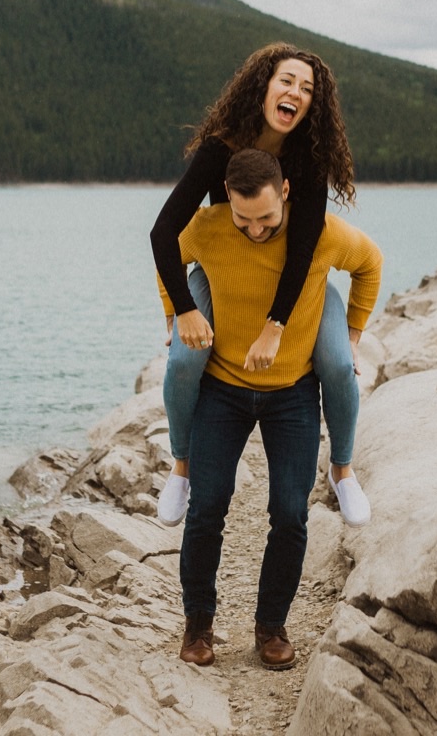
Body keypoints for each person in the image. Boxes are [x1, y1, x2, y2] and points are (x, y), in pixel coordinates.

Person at [160, 149, 382, 669]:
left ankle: (270, 627)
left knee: (289, 512)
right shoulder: (209, 227)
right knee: (208, 505)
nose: (255, 230)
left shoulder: (321, 233)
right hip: (223, 389)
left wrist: (350, 337)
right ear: (228, 203)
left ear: (284, 192)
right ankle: (198, 626)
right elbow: (166, 255)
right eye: (244, 219)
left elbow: (370, 264)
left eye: (265, 218)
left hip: (293, 394)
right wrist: (176, 316)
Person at [149, 42, 368, 529]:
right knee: (184, 359)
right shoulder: (220, 148)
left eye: (307, 89)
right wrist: (180, 309)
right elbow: (166, 235)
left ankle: (343, 470)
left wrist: (278, 327)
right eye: (287, 81)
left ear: (314, 104)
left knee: (335, 364)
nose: (296, 92)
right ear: (264, 87)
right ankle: (181, 467)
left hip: (299, 278)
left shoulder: (308, 160)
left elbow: (304, 250)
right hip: (224, 276)